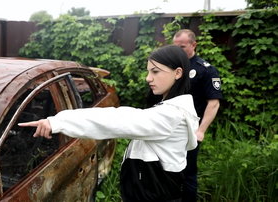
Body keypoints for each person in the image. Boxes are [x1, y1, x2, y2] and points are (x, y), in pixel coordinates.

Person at [19, 45, 199, 202]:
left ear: (177, 73)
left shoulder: (170, 116)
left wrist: (57, 121)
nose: (148, 78)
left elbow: (115, 120)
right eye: (148, 71)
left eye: (155, 71)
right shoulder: (173, 110)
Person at [173, 29, 223, 202]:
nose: (178, 50)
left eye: (183, 46)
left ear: (194, 45)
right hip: (169, 127)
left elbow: (213, 103)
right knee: (167, 169)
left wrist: (201, 131)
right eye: (176, 46)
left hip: (190, 131)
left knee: (188, 173)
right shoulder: (171, 67)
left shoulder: (206, 70)